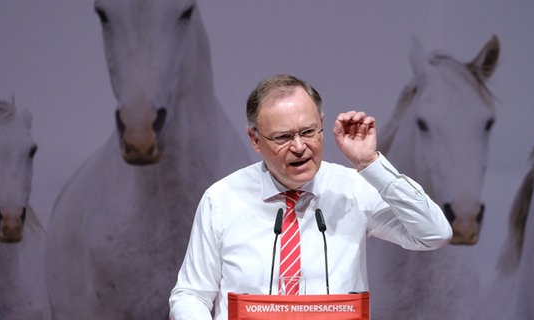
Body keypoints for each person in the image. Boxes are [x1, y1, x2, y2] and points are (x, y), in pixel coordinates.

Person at [169, 74, 452, 319]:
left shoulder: (352, 188)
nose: (300, 147)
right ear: (255, 140)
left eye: (308, 132)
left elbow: (434, 234)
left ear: (322, 124)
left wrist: (371, 165)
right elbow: (190, 294)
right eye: (283, 137)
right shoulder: (222, 200)